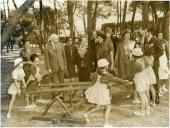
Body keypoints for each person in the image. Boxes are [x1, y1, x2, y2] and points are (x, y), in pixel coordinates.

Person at [84, 59, 129, 127]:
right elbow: (117, 80)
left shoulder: (97, 72)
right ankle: (105, 124)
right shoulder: (108, 75)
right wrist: (125, 81)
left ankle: (87, 114)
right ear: (106, 66)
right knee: (108, 107)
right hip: (103, 91)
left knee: (98, 106)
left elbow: (92, 77)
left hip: (97, 90)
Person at [144, 28, 164, 104]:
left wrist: (153, 56)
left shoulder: (156, 40)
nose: (144, 34)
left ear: (149, 32)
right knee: (149, 80)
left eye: (145, 32)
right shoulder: (146, 40)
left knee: (155, 79)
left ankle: (157, 97)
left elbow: (161, 51)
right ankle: (151, 96)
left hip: (154, 64)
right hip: (147, 64)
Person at [129, 48, 150, 116]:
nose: (131, 56)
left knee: (142, 97)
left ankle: (142, 112)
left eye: (132, 55)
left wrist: (129, 80)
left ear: (135, 56)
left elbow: (132, 74)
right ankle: (146, 111)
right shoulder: (142, 60)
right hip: (144, 78)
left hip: (140, 79)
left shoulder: (136, 63)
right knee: (144, 96)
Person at [116, 30, 134, 98]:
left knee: (131, 77)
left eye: (128, 36)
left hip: (131, 62)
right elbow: (117, 54)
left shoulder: (133, 43)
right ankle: (128, 92)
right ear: (123, 36)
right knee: (126, 77)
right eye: (126, 36)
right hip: (123, 62)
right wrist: (117, 62)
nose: (127, 37)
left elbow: (135, 52)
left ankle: (134, 91)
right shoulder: (120, 45)